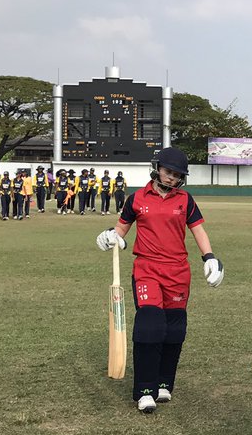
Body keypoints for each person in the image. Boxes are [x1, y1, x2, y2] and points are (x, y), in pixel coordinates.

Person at [96, 147, 224, 413]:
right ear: (157, 168)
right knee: (150, 327)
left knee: (174, 331)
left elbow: (198, 229)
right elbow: (121, 230)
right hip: (147, 270)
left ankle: (165, 384)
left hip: (178, 273)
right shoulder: (136, 199)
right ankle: (145, 390)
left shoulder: (185, 200)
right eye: (168, 172)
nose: (171, 179)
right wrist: (110, 236)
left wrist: (209, 257)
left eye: (177, 175)